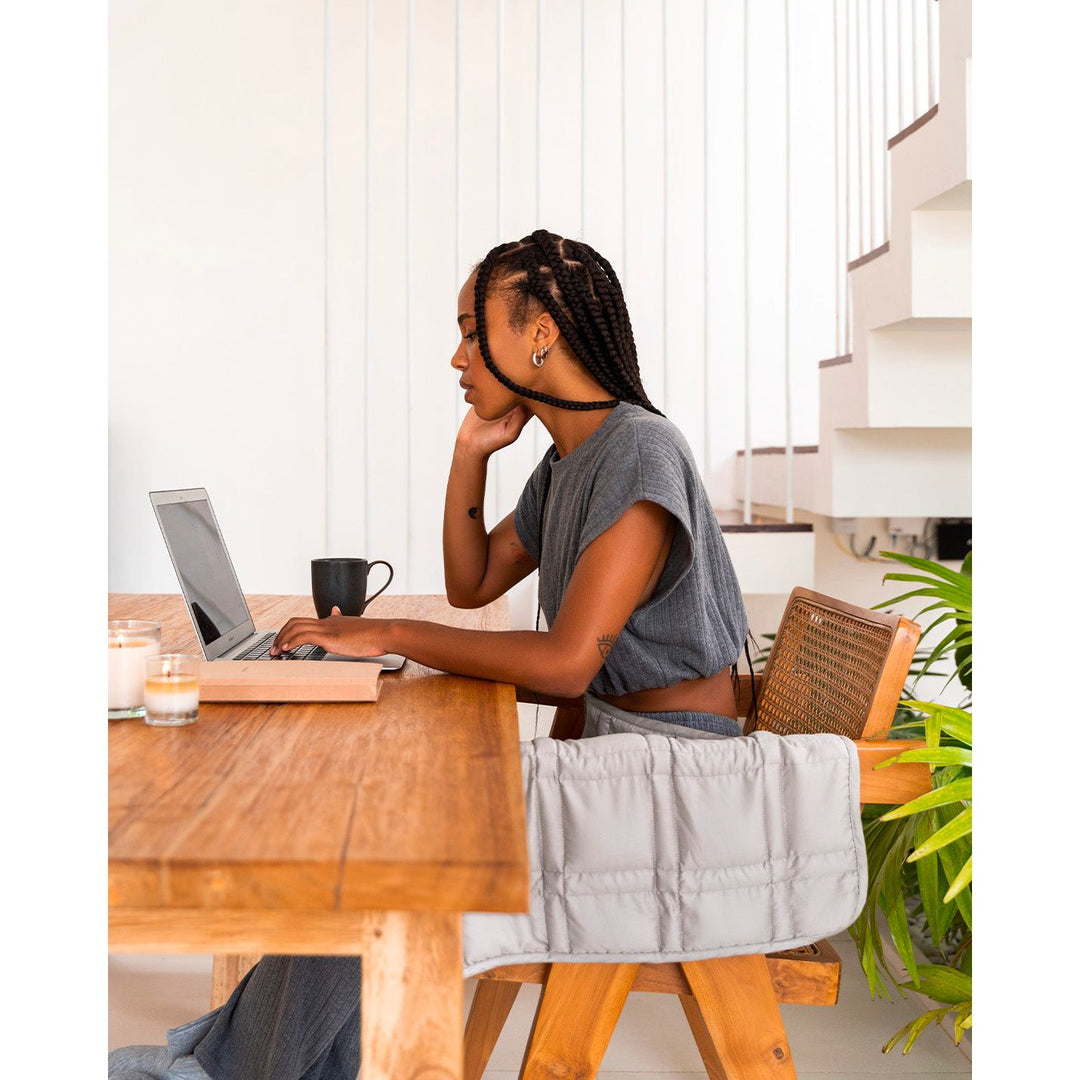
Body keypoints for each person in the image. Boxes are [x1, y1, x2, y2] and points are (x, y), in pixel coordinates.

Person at [109, 229, 749, 1080]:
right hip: (614, 766)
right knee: (375, 824)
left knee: (388, 841)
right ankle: (244, 1065)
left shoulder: (640, 452)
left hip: (668, 790)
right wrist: (467, 455)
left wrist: (381, 634)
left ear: (540, 333)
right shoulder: (571, 462)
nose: (457, 356)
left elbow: (566, 664)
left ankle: (225, 1070)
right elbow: (473, 582)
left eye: (471, 329)